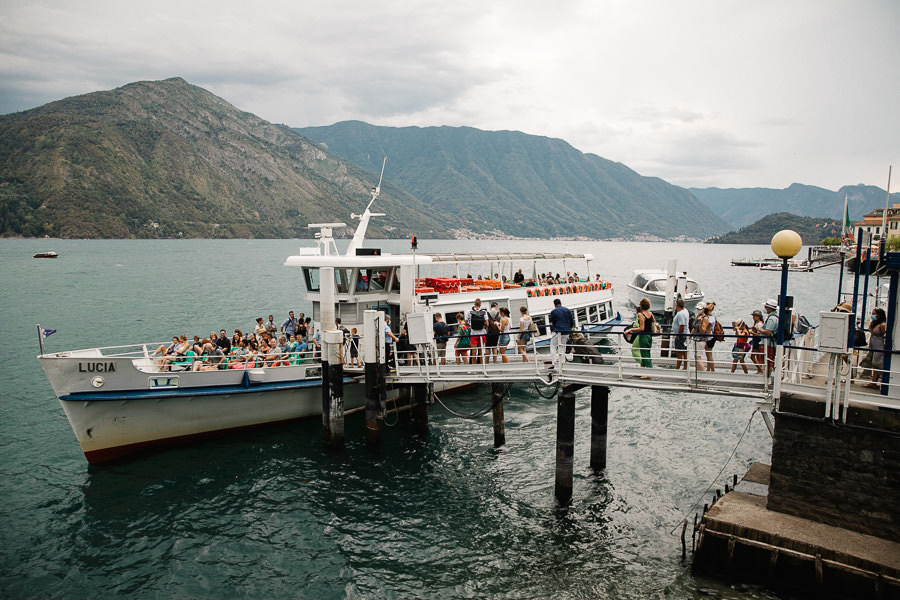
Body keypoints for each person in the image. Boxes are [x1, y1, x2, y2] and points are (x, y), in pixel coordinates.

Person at [626, 297, 654, 369]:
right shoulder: (650, 314)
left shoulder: (641, 315)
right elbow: (654, 323)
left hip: (643, 336)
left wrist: (631, 330)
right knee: (646, 353)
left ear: (641, 305)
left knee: (645, 355)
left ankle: (648, 373)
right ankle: (643, 371)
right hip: (649, 336)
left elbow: (642, 328)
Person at [862, 308, 887, 388]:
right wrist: (872, 322)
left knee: (877, 363)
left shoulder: (883, 325)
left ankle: (877, 381)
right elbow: (871, 331)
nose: (872, 316)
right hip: (873, 345)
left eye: (874, 314)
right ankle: (873, 382)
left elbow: (884, 336)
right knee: (873, 363)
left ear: (879, 315)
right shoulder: (874, 323)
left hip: (879, 346)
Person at [549, 298, 575, 365]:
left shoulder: (553, 312)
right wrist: (569, 327)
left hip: (558, 330)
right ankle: (563, 362)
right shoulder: (567, 310)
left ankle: (554, 362)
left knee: (553, 346)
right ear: (561, 303)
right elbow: (572, 321)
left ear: (554, 304)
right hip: (567, 331)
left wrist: (555, 328)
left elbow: (553, 322)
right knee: (563, 346)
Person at [760, 299, 779, 377]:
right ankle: (767, 377)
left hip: (769, 343)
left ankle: (767, 378)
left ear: (769, 308)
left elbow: (768, 332)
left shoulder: (772, 318)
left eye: (766, 306)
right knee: (769, 360)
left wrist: (759, 330)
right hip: (771, 342)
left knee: (768, 361)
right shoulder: (776, 316)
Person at [466, 299, 489, 364]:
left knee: (473, 352)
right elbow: (487, 324)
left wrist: (471, 325)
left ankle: (474, 367)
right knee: (481, 352)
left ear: (474, 304)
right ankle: (482, 366)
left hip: (473, 334)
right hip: (482, 334)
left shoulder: (469, 312)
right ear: (480, 304)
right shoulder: (484, 312)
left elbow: (466, 323)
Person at [672, 297, 689, 370]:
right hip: (685, 334)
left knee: (679, 353)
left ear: (677, 305)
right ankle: (685, 366)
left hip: (681, 335)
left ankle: (677, 368)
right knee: (684, 352)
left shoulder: (680, 314)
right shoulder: (685, 311)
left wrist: (678, 335)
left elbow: (682, 325)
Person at [748, 310, 765, 374]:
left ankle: (760, 370)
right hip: (756, 341)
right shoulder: (756, 324)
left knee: (752, 356)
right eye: (753, 316)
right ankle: (759, 370)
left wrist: (753, 333)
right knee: (758, 356)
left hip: (757, 341)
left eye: (755, 316)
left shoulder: (759, 324)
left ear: (759, 317)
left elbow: (761, 334)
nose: (753, 317)